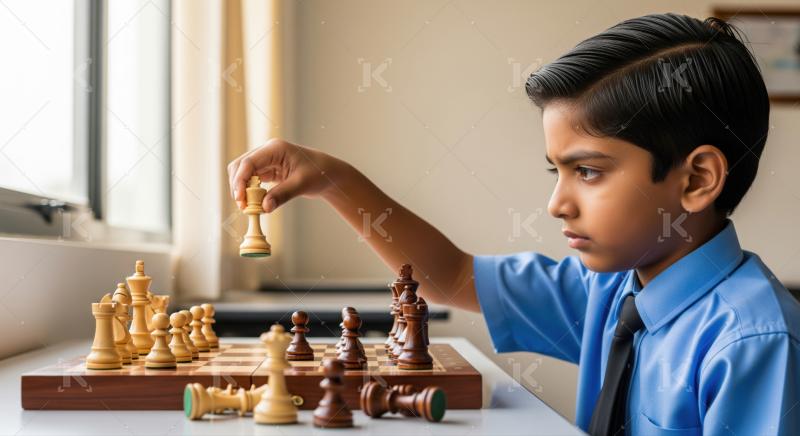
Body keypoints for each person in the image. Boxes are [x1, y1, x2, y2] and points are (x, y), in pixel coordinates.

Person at [227, 13, 800, 435]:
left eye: (589, 172)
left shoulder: (754, 343)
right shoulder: (610, 289)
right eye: (556, 171)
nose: (556, 204)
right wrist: (332, 180)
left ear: (697, 180)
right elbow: (449, 276)